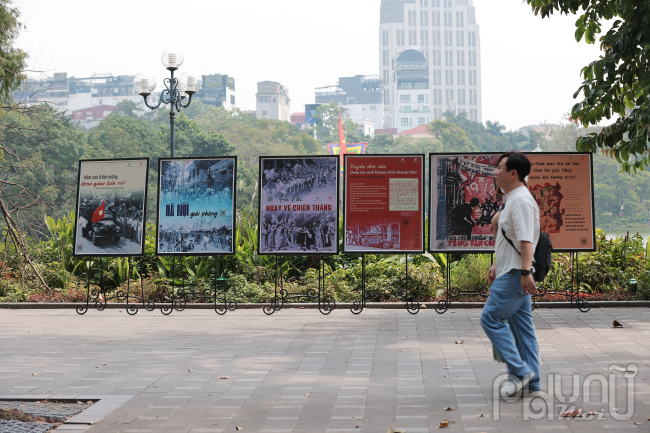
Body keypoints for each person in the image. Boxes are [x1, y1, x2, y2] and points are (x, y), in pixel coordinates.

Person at [482, 152, 541, 398]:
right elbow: (511, 239)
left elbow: (527, 241)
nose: (495, 172)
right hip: (511, 269)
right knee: (522, 329)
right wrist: (497, 263)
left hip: (516, 273)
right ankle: (532, 382)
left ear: (512, 173)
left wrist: (526, 271)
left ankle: (520, 370)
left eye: (499, 168)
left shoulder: (521, 201)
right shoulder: (512, 199)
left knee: (490, 319)